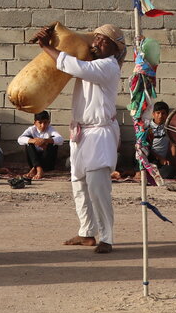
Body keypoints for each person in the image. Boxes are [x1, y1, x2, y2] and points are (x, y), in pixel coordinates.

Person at [31, 22, 127, 255]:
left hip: (99, 133)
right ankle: (86, 232)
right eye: (96, 38)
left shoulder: (108, 65)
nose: (97, 43)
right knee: (79, 185)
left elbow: (74, 66)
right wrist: (53, 39)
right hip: (81, 133)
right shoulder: (91, 61)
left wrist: (46, 47)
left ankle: (106, 237)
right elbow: (74, 58)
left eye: (104, 40)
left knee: (98, 187)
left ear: (115, 48)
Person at [18, 110, 66, 179]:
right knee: (28, 142)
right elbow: (20, 139)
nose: (43, 125)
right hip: (34, 160)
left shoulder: (50, 129)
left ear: (48, 122)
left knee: (53, 142)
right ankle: (38, 168)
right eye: (40, 123)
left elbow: (61, 140)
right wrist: (34, 141)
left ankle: (35, 169)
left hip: (47, 162)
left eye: (45, 122)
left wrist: (45, 141)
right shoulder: (31, 129)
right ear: (35, 123)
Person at [144, 101, 176, 178]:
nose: (160, 116)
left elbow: (173, 145)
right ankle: (143, 173)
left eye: (163, 113)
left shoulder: (169, 128)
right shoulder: (148, 128)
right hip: (149, 157)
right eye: (158, 113)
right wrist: (159, 158)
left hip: (161, 162)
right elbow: (146, 147)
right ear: (153, 114)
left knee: (170, 171)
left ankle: (150, 174)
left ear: (167, 115)